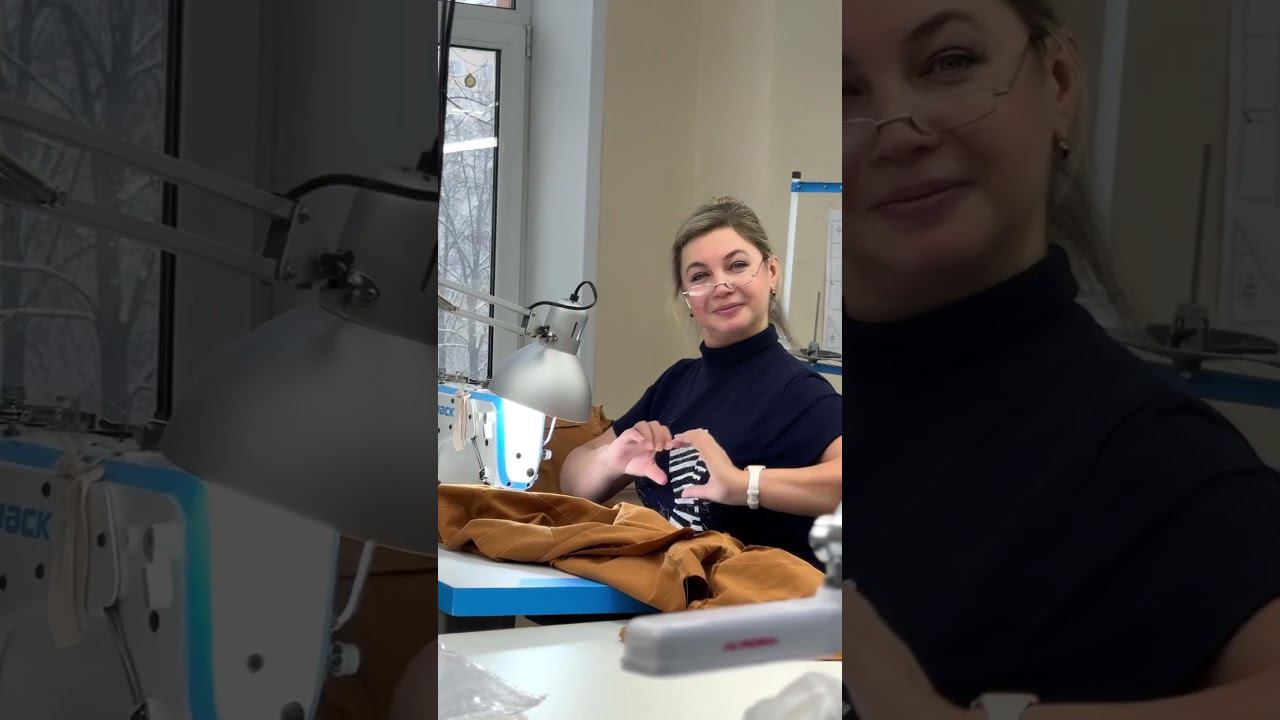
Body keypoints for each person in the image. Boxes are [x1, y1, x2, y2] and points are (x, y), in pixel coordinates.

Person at [841, 1, 1280, 719]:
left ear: (1061, 84)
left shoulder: (1149, 457)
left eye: (950, 62)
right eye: (843, 93)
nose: (898, 130)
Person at [559, 197, 843, 567]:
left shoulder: (801, 392)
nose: (720, 286)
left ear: (771, 273)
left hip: (748, 601)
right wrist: (610, 461)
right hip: (659, 590)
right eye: (699, 276)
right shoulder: (677, 381)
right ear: (688, 297)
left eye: (737, 265)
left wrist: (743, 485)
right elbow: (572, 480)